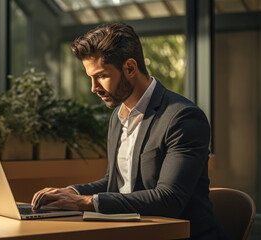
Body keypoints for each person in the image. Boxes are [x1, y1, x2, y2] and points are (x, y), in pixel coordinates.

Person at [31, 22, 228, 239]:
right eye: (91, 77)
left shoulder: (182, 117)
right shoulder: (118, 116)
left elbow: (169, 198)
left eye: (101, 76)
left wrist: (85, 202)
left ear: (130, 68)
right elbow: (115, 183)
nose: (94, 87)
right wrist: (72, 192)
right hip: (135, 232)